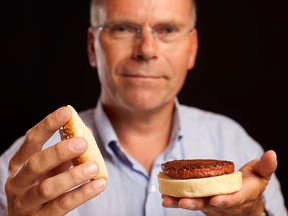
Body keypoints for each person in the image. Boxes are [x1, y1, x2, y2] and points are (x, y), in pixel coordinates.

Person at [0, 0, 287, 215]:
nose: (146, 50)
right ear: (92, 46)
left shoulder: (238, 146)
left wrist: (252, 214)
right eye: (123, 28)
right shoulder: (23, 174)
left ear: (193, 48)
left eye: (168, 29)